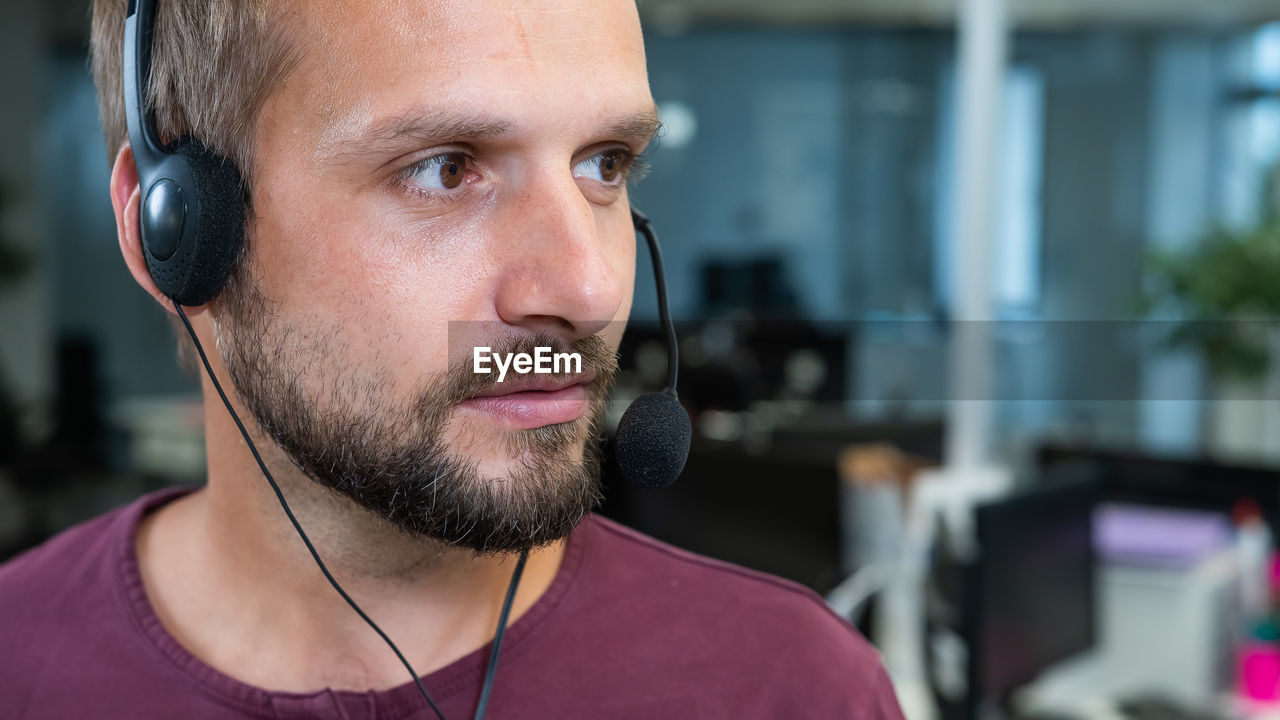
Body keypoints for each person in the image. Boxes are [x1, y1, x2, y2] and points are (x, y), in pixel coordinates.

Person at [0, 0, 906, 718]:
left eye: (605, 163)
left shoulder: (795, 689)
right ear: (174, 233)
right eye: (445, 167)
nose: (588, 290)